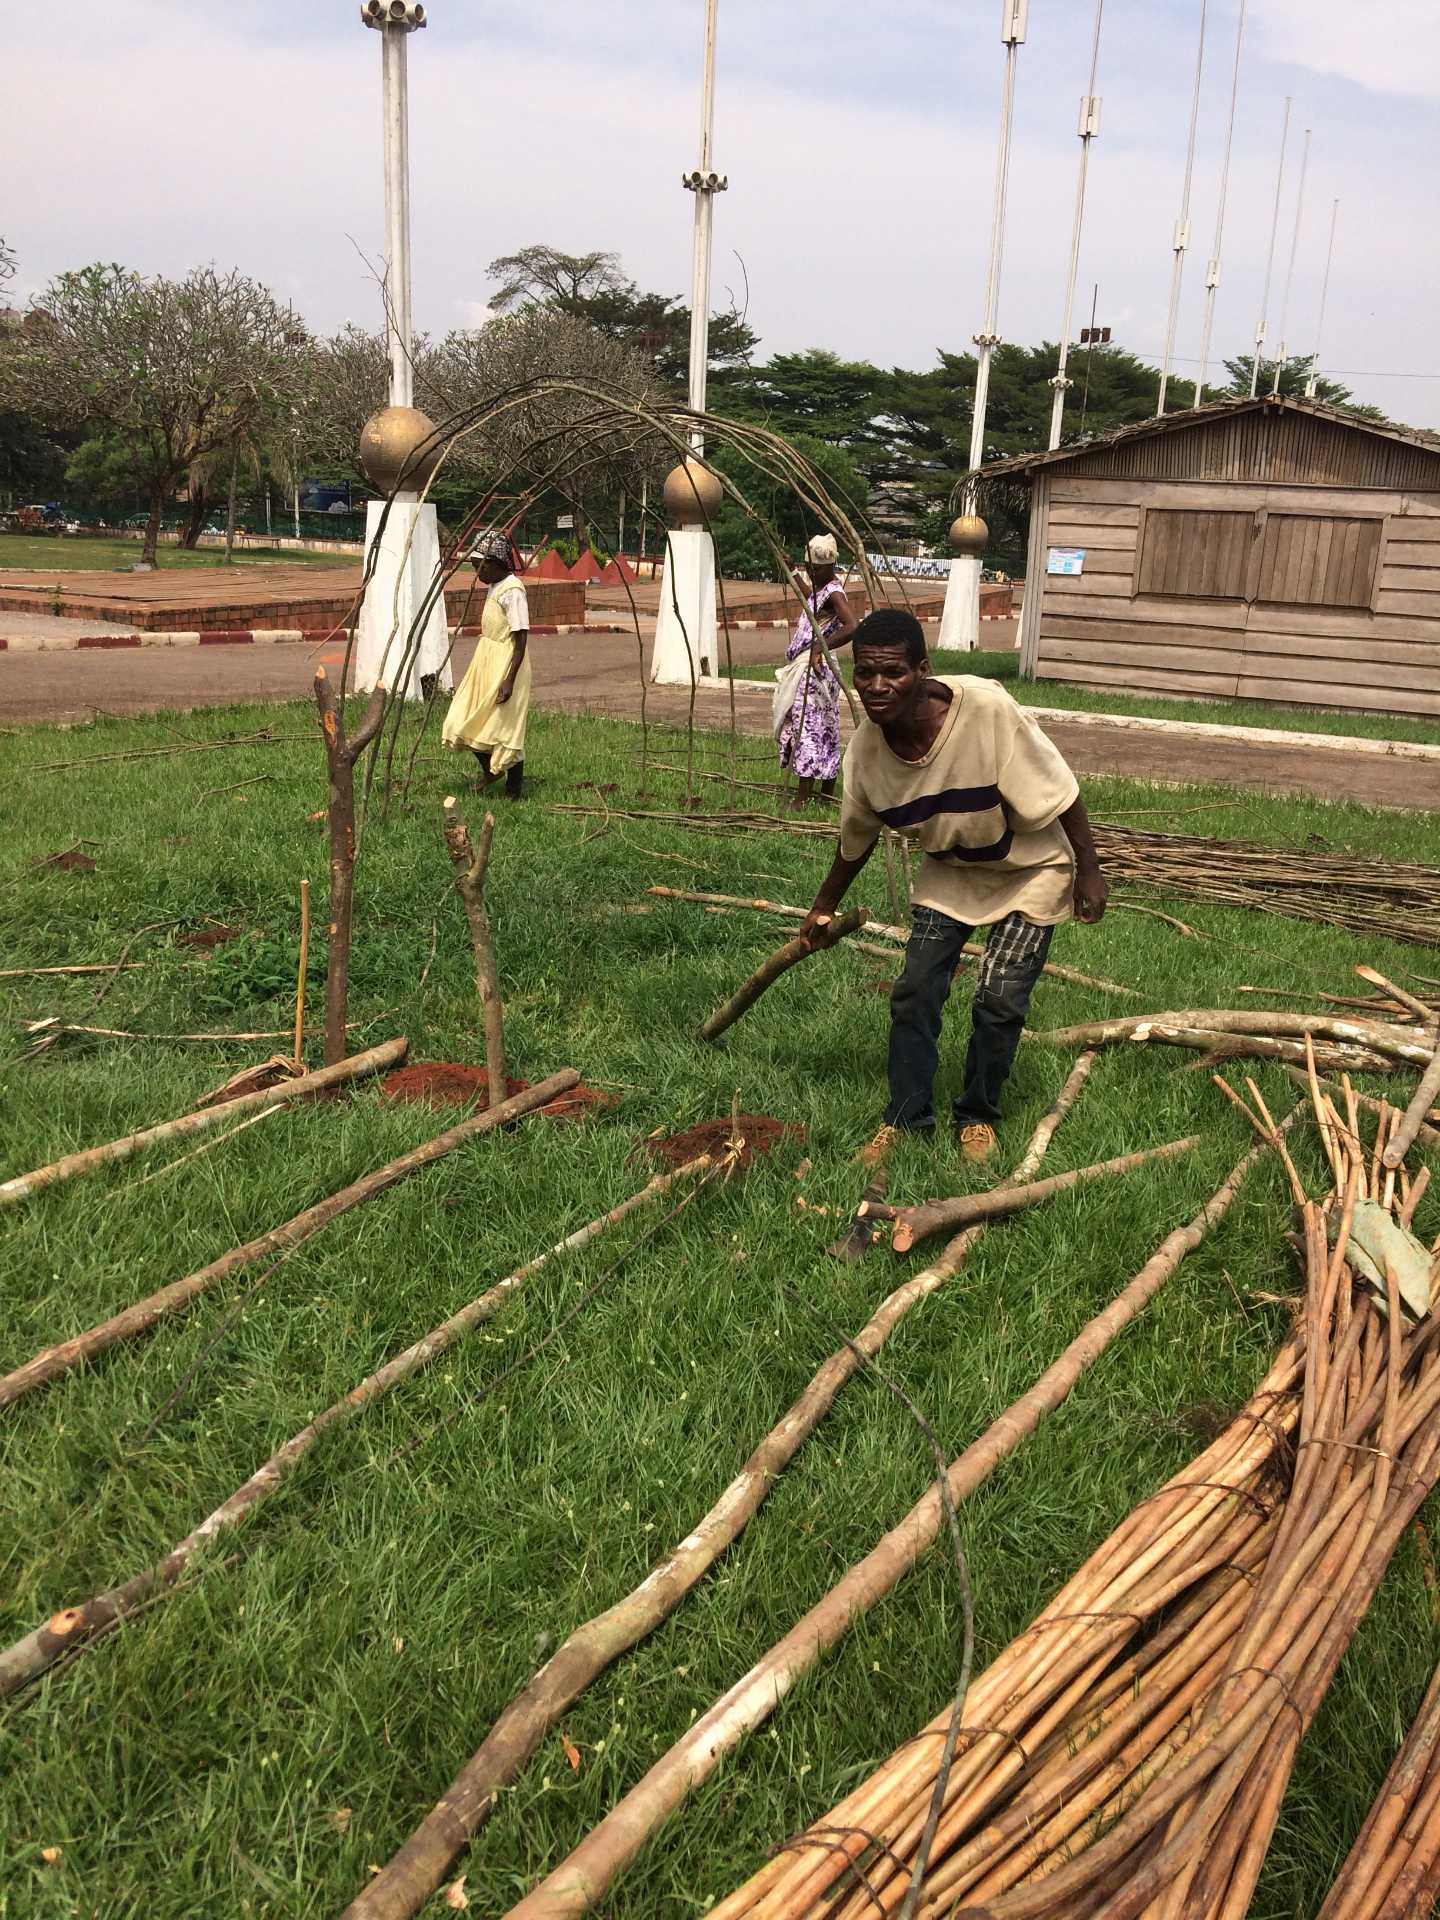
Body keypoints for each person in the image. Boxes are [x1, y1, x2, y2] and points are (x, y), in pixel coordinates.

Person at [798, 607, 1108, 1166]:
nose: (876, 686)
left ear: (923, 669)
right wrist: (823, 908)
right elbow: (855, 839)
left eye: (893, 672)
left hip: (1030, 869)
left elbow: (1062, 790)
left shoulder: (985, 710)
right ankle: (906, 1117)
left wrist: (1089, 868)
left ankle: (977, 1115)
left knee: (999, 996)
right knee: (915, 990)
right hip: (952, 871)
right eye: (865, 672)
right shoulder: (867, 754)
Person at [442, 531, 531, 799]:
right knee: (462, 718)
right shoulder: (495, 585)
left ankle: (513, 790)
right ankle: (490, 770)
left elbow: (521, 637)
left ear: (496, 563)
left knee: (504, 728)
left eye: (480, 566)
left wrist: (509, 679)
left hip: (507, 663)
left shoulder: (513, 590)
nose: (477, 572)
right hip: (486, 661)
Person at [777, 533, 858, 810]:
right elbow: (810, 596)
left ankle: (803, 798)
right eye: (809, 568)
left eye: (817, 569)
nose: (812, 573)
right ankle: (824, 795)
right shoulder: (821, 589)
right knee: (822, 728)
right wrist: (793, 571)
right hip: (813, 667)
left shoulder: (834, 592)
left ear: (830, 566)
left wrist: (819, 647)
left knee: (810, 730)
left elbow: (852, 625)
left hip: (817, 670)